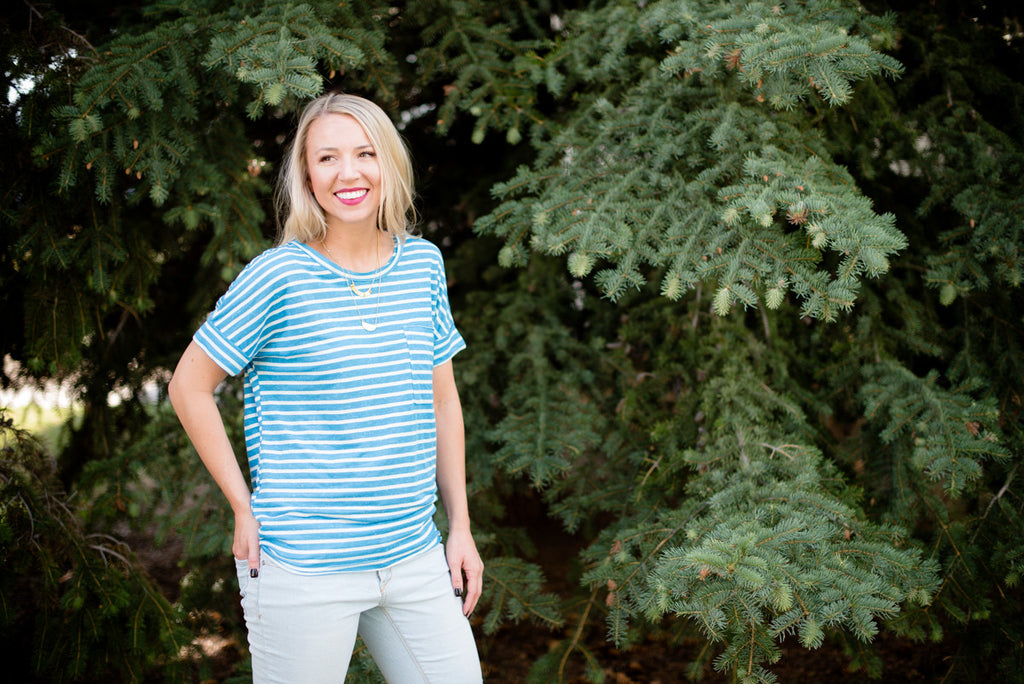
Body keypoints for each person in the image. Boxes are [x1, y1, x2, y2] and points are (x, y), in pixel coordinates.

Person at [168, 92, 484, 683]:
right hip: (302, 566)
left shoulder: (423, 265)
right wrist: (242, 507)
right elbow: (188, 387)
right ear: (307, 176)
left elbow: (443, 400)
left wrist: (460, 526)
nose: (349, 173)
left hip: (413, 555)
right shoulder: (279, 275)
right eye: (327, 158)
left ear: (388, 162)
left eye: (365, 153)